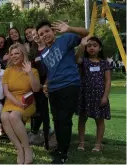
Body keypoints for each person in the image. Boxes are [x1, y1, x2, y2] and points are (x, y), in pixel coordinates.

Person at [36, 20, 89, 163]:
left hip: (69, 85)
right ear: (39, 38)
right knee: (57, 120)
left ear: (53, 31)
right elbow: (51, 72)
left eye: (47, 31)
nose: (45, 35)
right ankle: (60, 148)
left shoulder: (65, 39)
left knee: (64, 119)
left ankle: (63, 154)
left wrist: (69, 28)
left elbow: (86, 33)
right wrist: (46, 85)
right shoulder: (44, 54)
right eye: (41, 34)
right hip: (53, 89)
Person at [1, 43, 40, 164]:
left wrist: (29, 73)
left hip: (27, 102)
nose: (14, 56)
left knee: (13, 116)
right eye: (12, 54)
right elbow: (6, 92)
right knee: (4, 116)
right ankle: (19, 149)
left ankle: (27, 148)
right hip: (12, 100)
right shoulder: (8, 71)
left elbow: (36, 89)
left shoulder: (32, 70)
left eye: (17, 53)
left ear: (23, 54)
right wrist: (17, 103)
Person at [75, 36, 111, 152]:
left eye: (95, 45)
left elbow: (108, 80)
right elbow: (77, 59)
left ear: (100, 48)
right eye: (89, 45)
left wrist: (105, 96)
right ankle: (81, 143)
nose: (92, 48)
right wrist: (81, 45)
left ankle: (98, 144)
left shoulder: (104, 63)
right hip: (85, 96)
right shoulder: (83, 62)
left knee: (99, 121)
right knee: (82, 119)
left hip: (99, 96)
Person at [28, 29, 54, 147]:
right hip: (38, 85)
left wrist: (47, 83)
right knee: (40, 109)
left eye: (37, 34)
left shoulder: (50, 48)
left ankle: (51, 135)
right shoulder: (33, 51)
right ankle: (38, 133)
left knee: (54, 109)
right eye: (33, 35)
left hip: (52, 82)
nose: (35, 36)